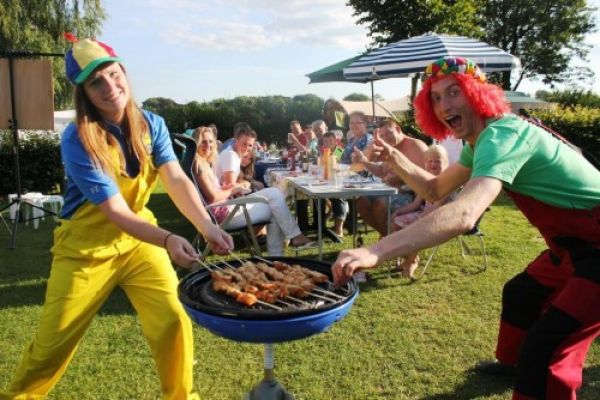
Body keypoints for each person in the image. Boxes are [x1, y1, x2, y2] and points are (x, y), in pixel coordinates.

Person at [332, 56, 600, 400]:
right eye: (436, 98)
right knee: (521, 293)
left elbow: (464, 213)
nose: (444, 106)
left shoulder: (503, 134)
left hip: (595, 249)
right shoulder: (482, 141)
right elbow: (434, 190)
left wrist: (375, 250)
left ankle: (531, 373)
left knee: (547, 348)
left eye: (454, 92)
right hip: (572, 247)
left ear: (477, 94)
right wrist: (396, 159)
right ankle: (512, 365)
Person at [0, 37, 233, 400]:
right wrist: (169, 239)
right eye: (96, 82)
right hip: (84, 251)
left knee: (172, 321)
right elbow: (115, 211)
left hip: (139, 244)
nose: (109, 86)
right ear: (84, 93)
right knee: (51, 346)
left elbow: (174, 177)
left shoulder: (152, 124)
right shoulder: (77, 138)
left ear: (123, 71)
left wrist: (207, 225)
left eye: (113, 74)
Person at [208, 127, 315, 254]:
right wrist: (246, 184)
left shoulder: (232, 154)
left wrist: (245, 185)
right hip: (226, 210)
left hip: (226, 205)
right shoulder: (230, 155)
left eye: (250, 145)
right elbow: (230, 186)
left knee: (275, 203)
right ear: (236, 140)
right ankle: (290, 241)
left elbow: (230, 185)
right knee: (275, 196)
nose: (247, 148)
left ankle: (280, 253)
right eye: (244, 143)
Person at [352, 119, 427, 237]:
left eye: (388, 133)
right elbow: (382, 171)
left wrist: (402, 177)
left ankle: (387, 240)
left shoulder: (416, 146)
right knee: (360, 201)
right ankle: (387, 237)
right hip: (390, 190)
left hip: (411, 196)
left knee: (379, 204)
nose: (385, 138)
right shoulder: (390, 147)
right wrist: (364, 161)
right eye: (382, 136)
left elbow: (425, 179)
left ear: (398, 130)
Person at [391, 144, 452, 278]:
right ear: (425, 163)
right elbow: (416, 203)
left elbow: (437, 207)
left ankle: (412, 261)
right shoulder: (426, 181)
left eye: (438, 161)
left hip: (440, 217)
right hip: (424, 213)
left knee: (414, 227)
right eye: (430, 161)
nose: (433, 164)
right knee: (396, 221)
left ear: (445, 163)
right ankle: (408, 256)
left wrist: (420, 218)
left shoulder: (447, 181)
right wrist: (401, 211)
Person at [322, 131, 348, 236]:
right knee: (319, 195)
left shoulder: (339, 150)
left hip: (343, 180)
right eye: (326, 141)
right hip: (331, 179)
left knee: (337, 198)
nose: (328, 143)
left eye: (330, 141)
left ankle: (339, 229)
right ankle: (324, 220)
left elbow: (335, 164)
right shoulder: (326, 151)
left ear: (335, 141)